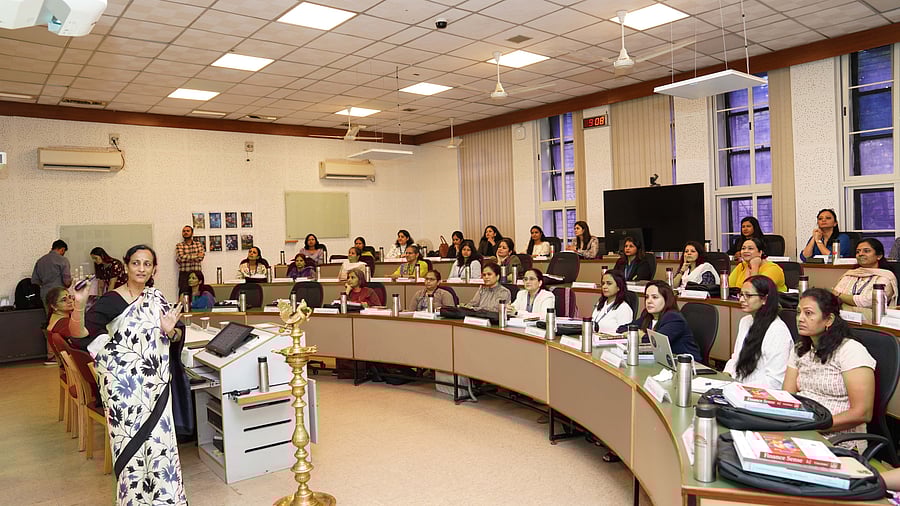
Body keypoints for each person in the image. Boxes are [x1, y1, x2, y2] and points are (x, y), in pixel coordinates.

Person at [78, 245, 189, 505]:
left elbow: (176, 335)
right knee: (132, 448)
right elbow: (84, 335)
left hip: (155, 387)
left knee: (160, 446)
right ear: (126, 266)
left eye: (147, 264)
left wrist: (170, 331)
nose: (141, 268)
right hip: (123, 392)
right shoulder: (111, 301)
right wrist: (79, 306)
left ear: (154, 269)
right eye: (136, 263)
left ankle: (165, 499)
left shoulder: (157, 298)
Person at [783, 288, 875, 452]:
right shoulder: (800, 349)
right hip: (801, 426)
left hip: (838, 437)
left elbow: (863, 413)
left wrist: (815, 425)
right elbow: (788, 396)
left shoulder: (850, 350)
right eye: (798, 313)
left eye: (809, 313)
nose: (800, 319)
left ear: (829, 319)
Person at [723, 276, 793, 389]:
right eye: (741, 294)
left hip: (760, 394)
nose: (741, 299)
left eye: (748, 295)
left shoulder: (777, 330)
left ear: (765, 299)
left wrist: (742, 389)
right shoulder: (745, 322)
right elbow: (736, 358)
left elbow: (775, 381)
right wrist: (725, 377)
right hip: (737, 387)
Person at [618, 281, 701, 362]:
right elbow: (621, 329)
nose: (649, 301)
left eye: (654, 297)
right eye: (647, 297)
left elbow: (656, 342)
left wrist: (638, 334)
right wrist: (639, 335)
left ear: (666, 299)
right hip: (662, 361)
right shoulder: (648, 316)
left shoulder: (674, 318)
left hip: (687, 365)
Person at [832, 238, 898, 322]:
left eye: (866, 251)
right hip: (844, 319)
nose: (860, 254)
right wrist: (839, 296)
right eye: (858, 252)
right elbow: (834, 296)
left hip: (872, 321)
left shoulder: (886, 277)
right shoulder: (851, 274)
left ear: (879, 256)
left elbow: (869, 301)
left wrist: (840, 296)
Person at [45, 285, 90, 350]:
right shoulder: (63, 323)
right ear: (54, 306)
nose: (70, 301)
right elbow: (80, 340)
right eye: (64, 300)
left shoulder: (55, 318)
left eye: (70, 297)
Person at [32, 239, 72, 311]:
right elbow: (67, 282)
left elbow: (35, 281)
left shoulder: (40, 261)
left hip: (45, 294)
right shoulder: (63, 260)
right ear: (62, 249)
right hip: (59, 294)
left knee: (50, 317)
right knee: (61, 316)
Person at [175, 225, 204, 295]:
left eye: (188, 231)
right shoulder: (179, 245)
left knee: (197, 295)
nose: (185, 232)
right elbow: (181, 258)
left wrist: (186, 257)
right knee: (183, 295)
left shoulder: (198, 244)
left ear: (192, 233)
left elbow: (201, 257)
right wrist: (196, 255)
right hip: (184, 274)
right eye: (184, 231)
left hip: (197, 274)